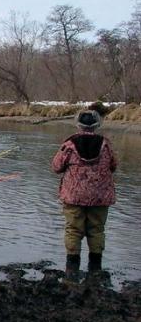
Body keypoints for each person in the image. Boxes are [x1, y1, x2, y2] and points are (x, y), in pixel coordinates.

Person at [51, 110, 117, 282]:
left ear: (78, 125)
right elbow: (114, 165)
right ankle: (95, 268)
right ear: (96, 125)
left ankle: (71, 268)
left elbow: (56, 166)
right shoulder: (106, 144)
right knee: (97, 230)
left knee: (73, 230)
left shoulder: (69, 145)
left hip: (73, 196)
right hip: (100, 196)